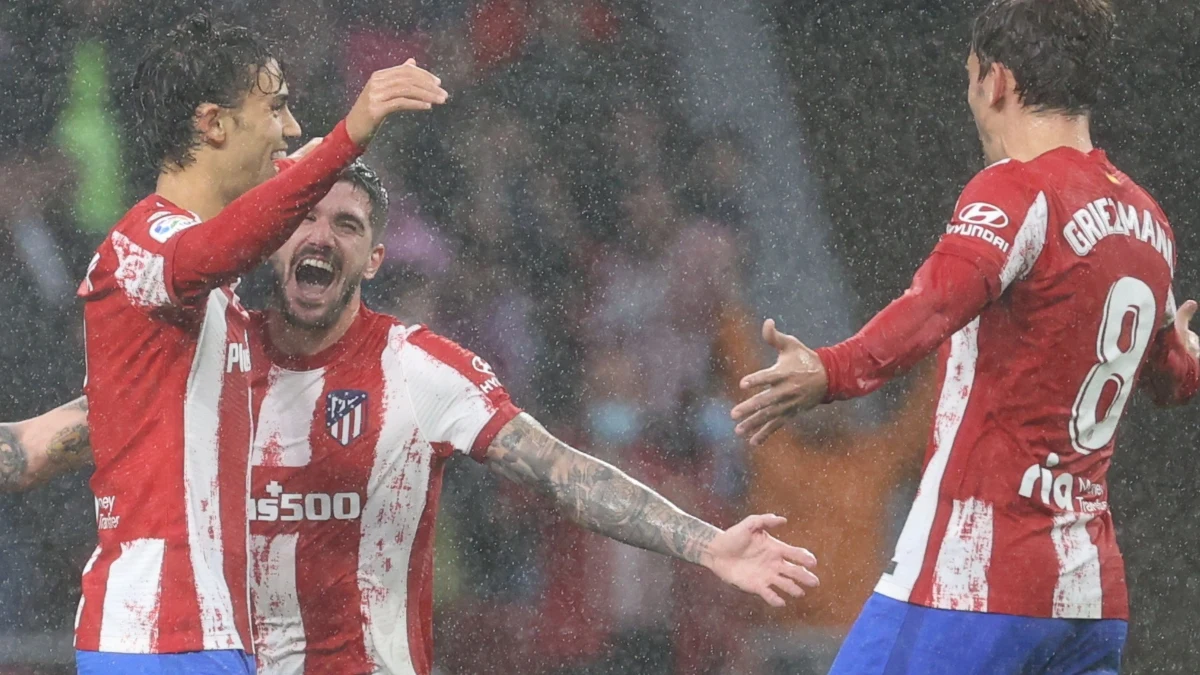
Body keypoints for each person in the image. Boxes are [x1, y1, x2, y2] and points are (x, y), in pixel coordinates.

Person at [3, 161, 819, 674]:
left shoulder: (423, 370)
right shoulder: (208, 358)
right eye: (303, 219)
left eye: (346, 225)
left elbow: (564, 472)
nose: (319, 237)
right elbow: (43, 442)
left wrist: (707, 542)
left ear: (375, 257)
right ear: (270, 237)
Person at [730, 0, 1199, 672]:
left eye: (971, 78)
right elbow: (1169, 375)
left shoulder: (1015, 191)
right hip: (1090, 598)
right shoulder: (1148, 220)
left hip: (974, 582)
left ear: (997, 80)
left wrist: (830, 370)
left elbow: (932, 307)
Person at [71, 12, 447, 674]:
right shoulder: (146, 244)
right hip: (156, 631)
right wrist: (351, 132)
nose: (291, 127)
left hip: (206, 632)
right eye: (275, 108)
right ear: (214, 124)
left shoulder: (207, 291)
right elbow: (222, 244)